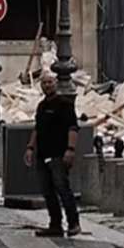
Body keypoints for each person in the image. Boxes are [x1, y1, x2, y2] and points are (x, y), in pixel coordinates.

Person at [23, 73, 81, 237]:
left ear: (55, 83)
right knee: (47, 191)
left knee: (62, 188)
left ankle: (73, 222)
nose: (47, 85)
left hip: (58, 153)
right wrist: (30, 147)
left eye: (50, 82)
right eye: (44, 83)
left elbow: (73, 128)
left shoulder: (65, 105)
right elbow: (37, 128)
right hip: (42, 153)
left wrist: (70, 149)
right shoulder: (41, 106)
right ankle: (55, 224)